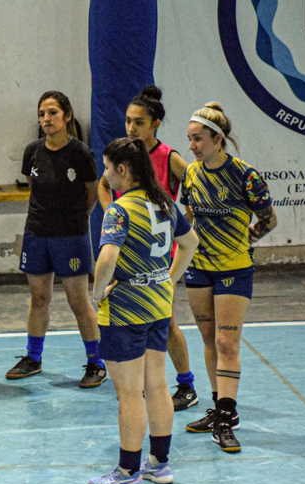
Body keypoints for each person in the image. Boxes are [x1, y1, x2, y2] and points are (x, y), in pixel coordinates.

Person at [88, 137, 198, 484]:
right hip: (158, 305)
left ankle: (127, 473)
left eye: (107, 168)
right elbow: (190, 243)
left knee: (129, 394)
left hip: (125, 310)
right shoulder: (165, 202)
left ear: (122, 170)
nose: (105, 175)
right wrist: (168, 279)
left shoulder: (119, 210)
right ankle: (159, 465)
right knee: (157, 385)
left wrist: (95, 295)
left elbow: (106, 259)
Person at [181, 103, 277, 453]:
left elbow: (269, 220)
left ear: (218, 139)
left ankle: (226, 417)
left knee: (226, 343)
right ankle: (219, 404)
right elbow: (190, 216)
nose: (192, 145)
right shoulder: (191, 174)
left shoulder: (245, 175)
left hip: (234, 269)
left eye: (198, 139)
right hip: (199, 268)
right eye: (189, 139)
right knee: (209, 339)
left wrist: (243, 240)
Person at [98, 86, 198, 411]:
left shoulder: (169, 158)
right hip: (131, 255)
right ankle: (143, 388)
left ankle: (186, 384)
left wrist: (188, 216)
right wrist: (111, 213)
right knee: (151, 326)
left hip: (157, 259)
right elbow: (103, 184)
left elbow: (195, 187)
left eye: (138, 122)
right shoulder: (124, 156)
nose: (130, 128)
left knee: (165, 323)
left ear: (155, 123)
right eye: (127, 121)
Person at [5, 91, 106, 388]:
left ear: (67, 116)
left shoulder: (80, 153)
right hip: (37, 233)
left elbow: (91, 196)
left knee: (78, 301)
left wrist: (74, 221)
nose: (46, 119)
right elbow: (34, 189)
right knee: (39, 298)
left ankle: (95, 362)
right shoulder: (32, 151)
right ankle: (33, 358)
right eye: (42, 114)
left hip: (71, 235)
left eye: (52, 113)